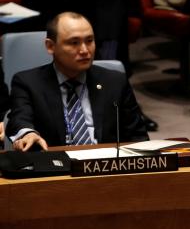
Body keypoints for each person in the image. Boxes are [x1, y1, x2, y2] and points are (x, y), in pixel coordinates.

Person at [7, 12, 148, 151]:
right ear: (50, 46)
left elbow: (138, 137)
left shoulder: (115, 81)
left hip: (106, 165)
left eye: (89, 41)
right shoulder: (28, 82)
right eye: (74, 43)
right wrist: (27, 133)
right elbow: (19, 118)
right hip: (56, 166)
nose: (85, 50)